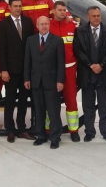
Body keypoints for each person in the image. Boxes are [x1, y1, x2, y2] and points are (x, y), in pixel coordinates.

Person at [73, 6, 106, 143]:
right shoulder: (80, 31)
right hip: (87, 74)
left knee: (105, 106)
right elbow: (77, 50)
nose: (96, 18)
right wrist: (90, 65)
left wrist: (102, 65)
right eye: (94, 16)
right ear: (88, 17)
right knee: (88, 106)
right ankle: (89, 132)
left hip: (104, 74)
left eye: (98, 15)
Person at [0, 0, 35, 143]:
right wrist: (4, 70)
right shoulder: (3, 24)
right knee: (10, 100)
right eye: (15, 6)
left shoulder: (27, 22)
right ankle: (10, 129)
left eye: (20, 6)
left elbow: (31, 46)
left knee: (23, 100)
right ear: (10, 7)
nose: (18, 8)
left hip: (25, 70)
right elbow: (2, 49)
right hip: (11, 70)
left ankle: (21, 128)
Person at [24, 16, 66, 149]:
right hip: (36, 81)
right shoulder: (30, 40)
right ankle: (40, 136)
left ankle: (55, 138)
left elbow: (61, 63)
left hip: (52, 82)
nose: (44, 26)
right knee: (39, 110)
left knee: (53, 111)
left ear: (49, 24)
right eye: (41, 24)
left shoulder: (57, 41)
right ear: (37, 25)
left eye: (46, 24)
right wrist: (27, 78)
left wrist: (60, 80)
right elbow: (27, 61)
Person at [49, 1, 80, 142]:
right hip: (52, 70)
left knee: (71, 101)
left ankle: (73, 130)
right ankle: (48, 129)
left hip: (69, 68)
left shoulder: (72, 26)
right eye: (60, 10)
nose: (62, 12)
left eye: (64, 10)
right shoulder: (47, 26)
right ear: (53, 11)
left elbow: (77, 48)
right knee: (51, 101)